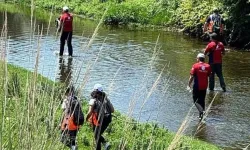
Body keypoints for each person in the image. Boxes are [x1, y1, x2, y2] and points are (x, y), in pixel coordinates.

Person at [86, 84, 114, 150]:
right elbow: (112, 110)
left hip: (98, 121)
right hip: (107, 119)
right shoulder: (106, 99)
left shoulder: (93, 100)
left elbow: (89, 112)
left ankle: (105, 143)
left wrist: (86, 118)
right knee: (97, 136)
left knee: (96, 136)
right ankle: (105, 144)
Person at [188, 53, 211, 120]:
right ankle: (201, 116)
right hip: (204, 86)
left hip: (197, 86)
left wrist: (189, 84)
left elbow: (192, 76)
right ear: (204, 59)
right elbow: (209, 75)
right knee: (202, 100)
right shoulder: (208, 66)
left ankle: (202, 111)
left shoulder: (195, 66)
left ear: (198, 59)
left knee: (195, 100)